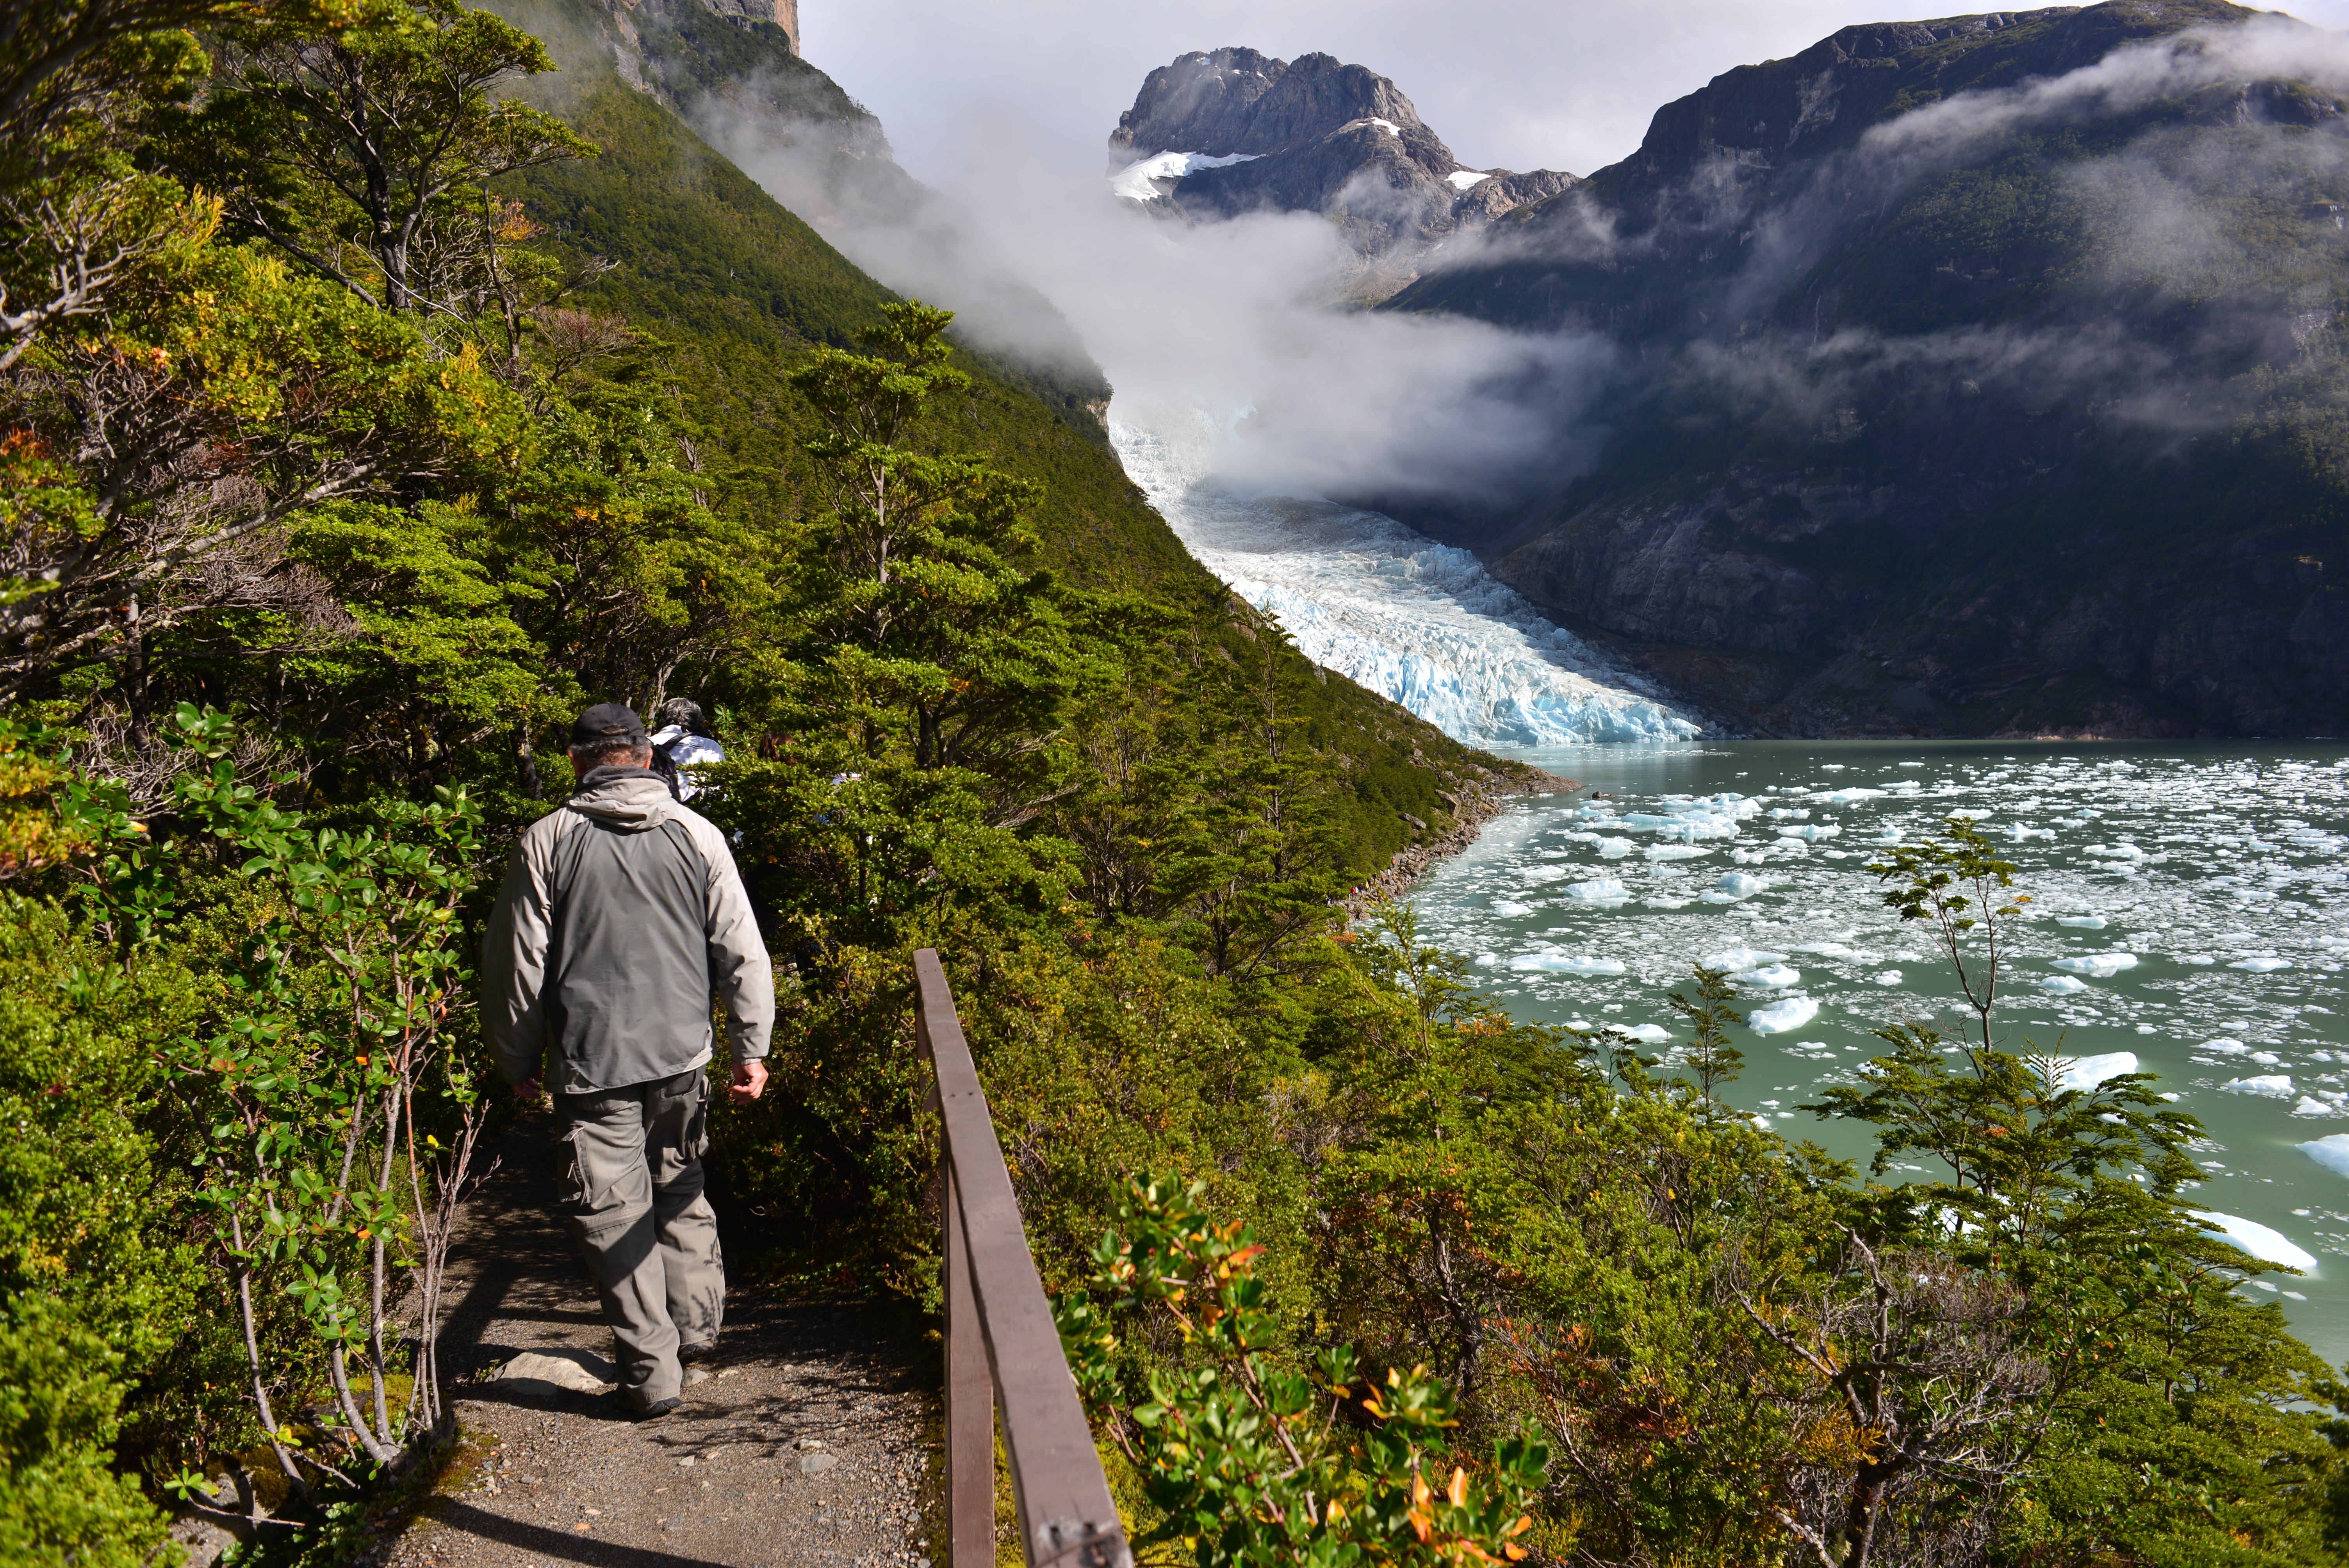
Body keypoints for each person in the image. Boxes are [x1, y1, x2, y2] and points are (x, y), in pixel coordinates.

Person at [482, 702, 774, 1421]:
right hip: (683, 1054)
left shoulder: (548, 840)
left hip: (592, 1059)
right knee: (680, 1183)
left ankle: (651, 1374)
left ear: (578, 762)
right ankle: (697, 1331)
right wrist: (751, 1047)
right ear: (645, 758)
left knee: (612, 1213)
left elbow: (518, 963)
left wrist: (514, 1053)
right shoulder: (698, 834)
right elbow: (741, 947)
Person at [649, 696, 724, 802]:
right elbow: (719, 793)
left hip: (645, 813)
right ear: (696, 720)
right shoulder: (708, 746)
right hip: (690, 814)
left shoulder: (643, 743)